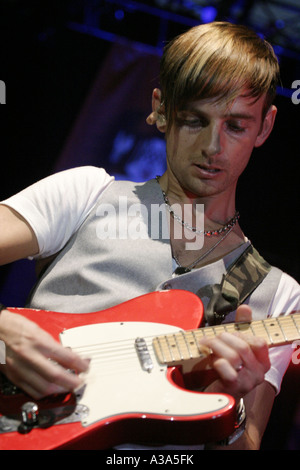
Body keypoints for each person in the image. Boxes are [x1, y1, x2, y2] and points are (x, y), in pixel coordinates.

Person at [0, 21, 299, 450]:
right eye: (195, 119)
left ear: (265, 127)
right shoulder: (85, 193)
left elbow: (245, 443)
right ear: (160, 108)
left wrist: (231, 408)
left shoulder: (278, 295)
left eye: (236, 125)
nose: (213, 146)